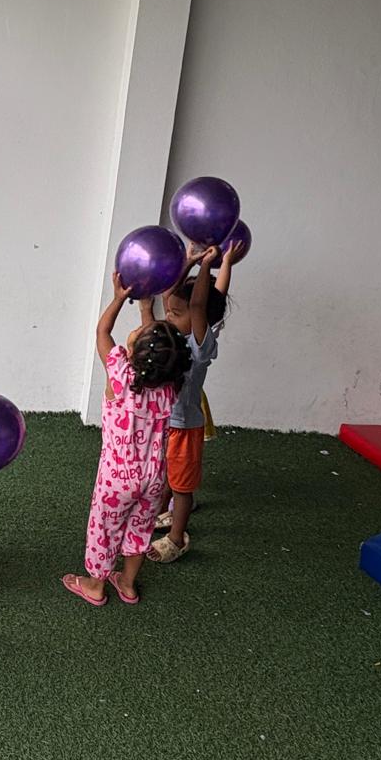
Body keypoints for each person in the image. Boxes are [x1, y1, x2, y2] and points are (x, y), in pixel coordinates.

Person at [61, 275, 192, 606]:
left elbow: (102, 332)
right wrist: (147, 311)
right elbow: (158, 353)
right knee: (140, 529)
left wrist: (119, 298)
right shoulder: (170, 387)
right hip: (153, 479)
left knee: (104, 531)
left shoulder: (120, 376)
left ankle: (95, 585)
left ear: (134, 352)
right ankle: (128, 584)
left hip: (116, 480)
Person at [147, 240, 245, 563]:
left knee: (182, 488)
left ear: (197, 316)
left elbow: (202, 304)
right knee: (166, 474)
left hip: (185, 429)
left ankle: (177, 538)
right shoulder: (176, 334)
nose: (168, 316)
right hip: (167, 423)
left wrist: (206, 265)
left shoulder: (199, 345)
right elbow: (171, 295)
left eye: (176, 314)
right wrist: (193, 261)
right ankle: (163, 512)